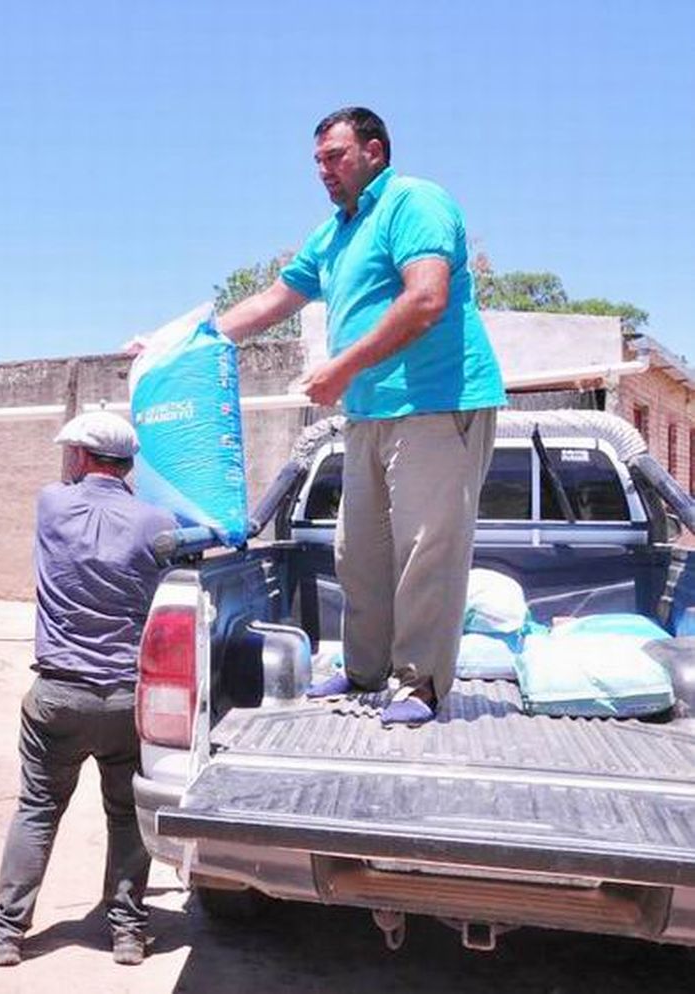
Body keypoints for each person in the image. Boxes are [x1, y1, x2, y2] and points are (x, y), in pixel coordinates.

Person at [216, 107, 505, 726]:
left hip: (437, 402)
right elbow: (273, 300)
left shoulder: (413, 202)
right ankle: (366, 669)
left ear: (374, 151)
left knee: (426, 550)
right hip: (370, 413)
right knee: (359, 551)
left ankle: (420, 684)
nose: (324, 170)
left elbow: (426, 297)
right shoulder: (334, 232)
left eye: (335, 157)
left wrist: (341, 367)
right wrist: (190, 337)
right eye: (317, 161)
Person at [0, 410, 176, 968]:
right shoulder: (155, 522)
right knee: (125, 814)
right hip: (124, 699)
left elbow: (72, 495)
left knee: (38, 809)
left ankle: (7, 933)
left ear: (84, 458)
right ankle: (128, 933)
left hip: (58, 697)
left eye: (71, 452)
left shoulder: (51, 504)